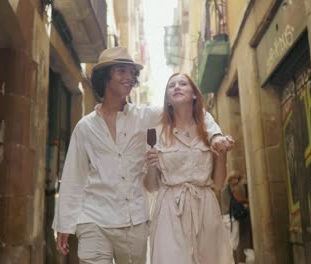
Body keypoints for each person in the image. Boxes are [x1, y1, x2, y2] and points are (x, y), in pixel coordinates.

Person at [52, 47, 234, 264]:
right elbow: (74, 177)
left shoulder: (145, 116)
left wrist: (215, 137)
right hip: (94, 217)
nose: (129, 78)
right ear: (105, 77)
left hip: (134, 220)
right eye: (121, 71)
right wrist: (65, 224)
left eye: (132, 73)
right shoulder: (85, 127)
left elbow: (195, 112)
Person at [144, 73, 234, 264]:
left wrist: (223, 153)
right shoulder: (157, 132)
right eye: (171, 86)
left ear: (194, 94)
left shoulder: (207, 127)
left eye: (183, 84)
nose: (177, 87)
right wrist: (151, 165)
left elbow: (218, 183)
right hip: (170, 209)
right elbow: (151, 187)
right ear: (167, 100)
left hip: (205, 207)